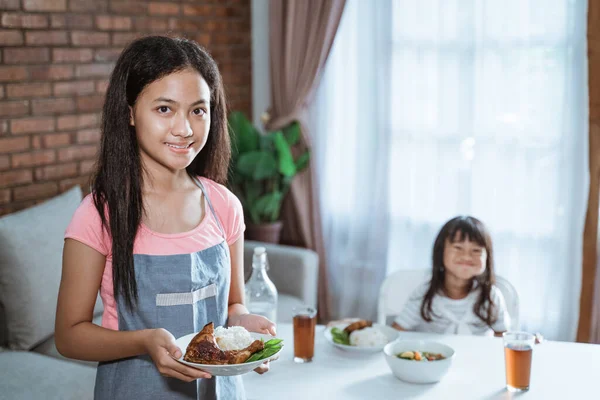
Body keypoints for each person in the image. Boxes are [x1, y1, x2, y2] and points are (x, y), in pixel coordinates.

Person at [54, 36, 275, 400]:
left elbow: (232, 304)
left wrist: (243, 324)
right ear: (129, 112)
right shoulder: (98, 214)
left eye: (197, 110)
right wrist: (144, 341)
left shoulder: (225, 206)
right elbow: (69, 335)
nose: (184, 129)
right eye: (164, 109)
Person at [392, 216, 510, 336]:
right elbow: (395, 333)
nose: (467, 256)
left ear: (487, 257)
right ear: (440, 252)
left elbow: (503, 339)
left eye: (476, 250)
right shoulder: (424, 295)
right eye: (458, 248)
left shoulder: (491, 297)